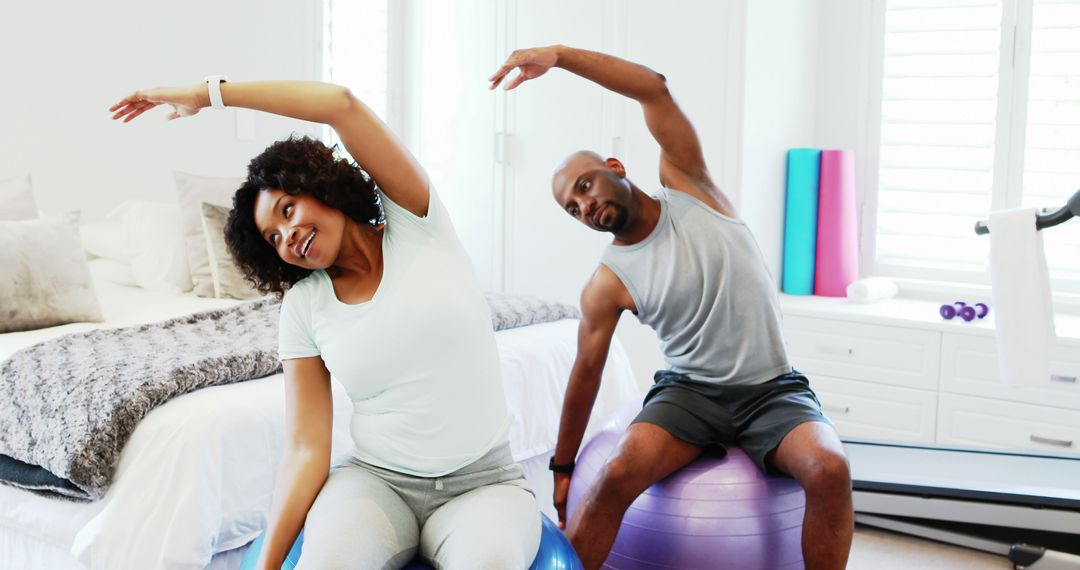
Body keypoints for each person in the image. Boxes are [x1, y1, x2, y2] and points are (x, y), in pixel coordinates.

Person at [109, 80, 540, 569]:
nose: (288, 235)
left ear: (320, 188)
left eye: (288, 210)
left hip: (483, 485)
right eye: (274, 238)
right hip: (377, 485)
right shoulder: (303, 306)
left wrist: (209, 94)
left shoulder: (418, 222)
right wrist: (268, 564)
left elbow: (341, 105)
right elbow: (306, 447)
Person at [490, 46, 854, 570]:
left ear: (615, 168)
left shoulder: (691, 187)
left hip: (772, 388)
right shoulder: (608, 283)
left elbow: (653, 87)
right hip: (690, 396)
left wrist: (560, 57)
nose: (586, 206)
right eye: (573, 208)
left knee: (830, 469)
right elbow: (584, 374)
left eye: (586, 186)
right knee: (615, 474)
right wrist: (564, 467)